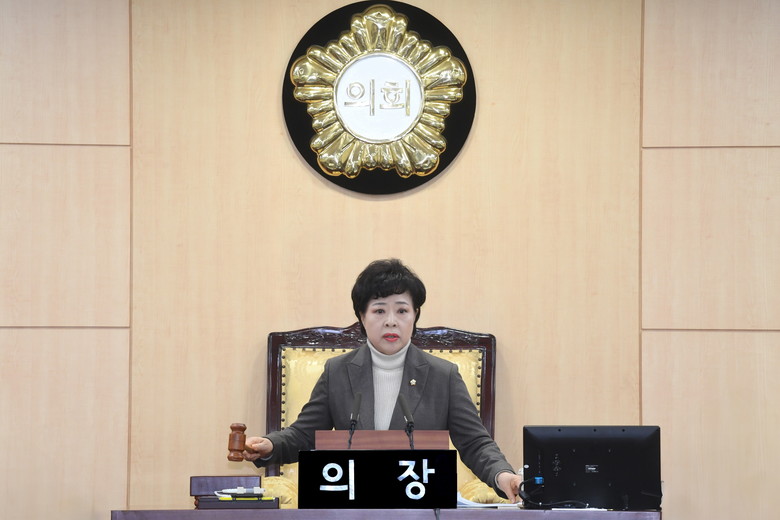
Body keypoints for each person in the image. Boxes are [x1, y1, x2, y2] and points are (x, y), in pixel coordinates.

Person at [243, 259, 523, 502]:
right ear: (361, 317)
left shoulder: (443, 376)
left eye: (402, 310)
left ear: (415, 315)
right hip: (353, 509)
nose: (391, 321)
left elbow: (475, 443)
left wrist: (504, 476)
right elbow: (305, 435)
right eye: (379, 310)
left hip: (420, 512)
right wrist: (269, 445)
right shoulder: (337, 372)